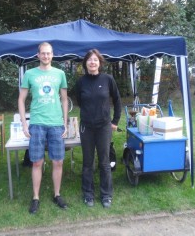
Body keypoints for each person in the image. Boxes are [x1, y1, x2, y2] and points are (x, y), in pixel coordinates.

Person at [18, 42, 69, 214]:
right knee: (37, 161)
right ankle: (35, 197)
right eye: (43, 53)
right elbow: (21, 99)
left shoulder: (60, 73)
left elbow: (64, 99)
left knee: (58, 161)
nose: (46, 56)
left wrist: (65, 122)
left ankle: (57, 194)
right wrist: (24, 124)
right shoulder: (30, 74)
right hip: (37, 123)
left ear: (52, 55)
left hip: (56, 123)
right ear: (38, 55)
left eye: (49, 53)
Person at [76, 49, 121, 208]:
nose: (92, 62)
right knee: (88, 162)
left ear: (99, 62)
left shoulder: (108, 79)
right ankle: (88, 194)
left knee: (104, 161)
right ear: (85, 63)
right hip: (86, 127)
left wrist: (114, 121)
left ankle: (106, 194)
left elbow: (117, 100)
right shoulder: (81, 82)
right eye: (89, 60)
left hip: (103, 127)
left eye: (95, 60)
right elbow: (79, 101)